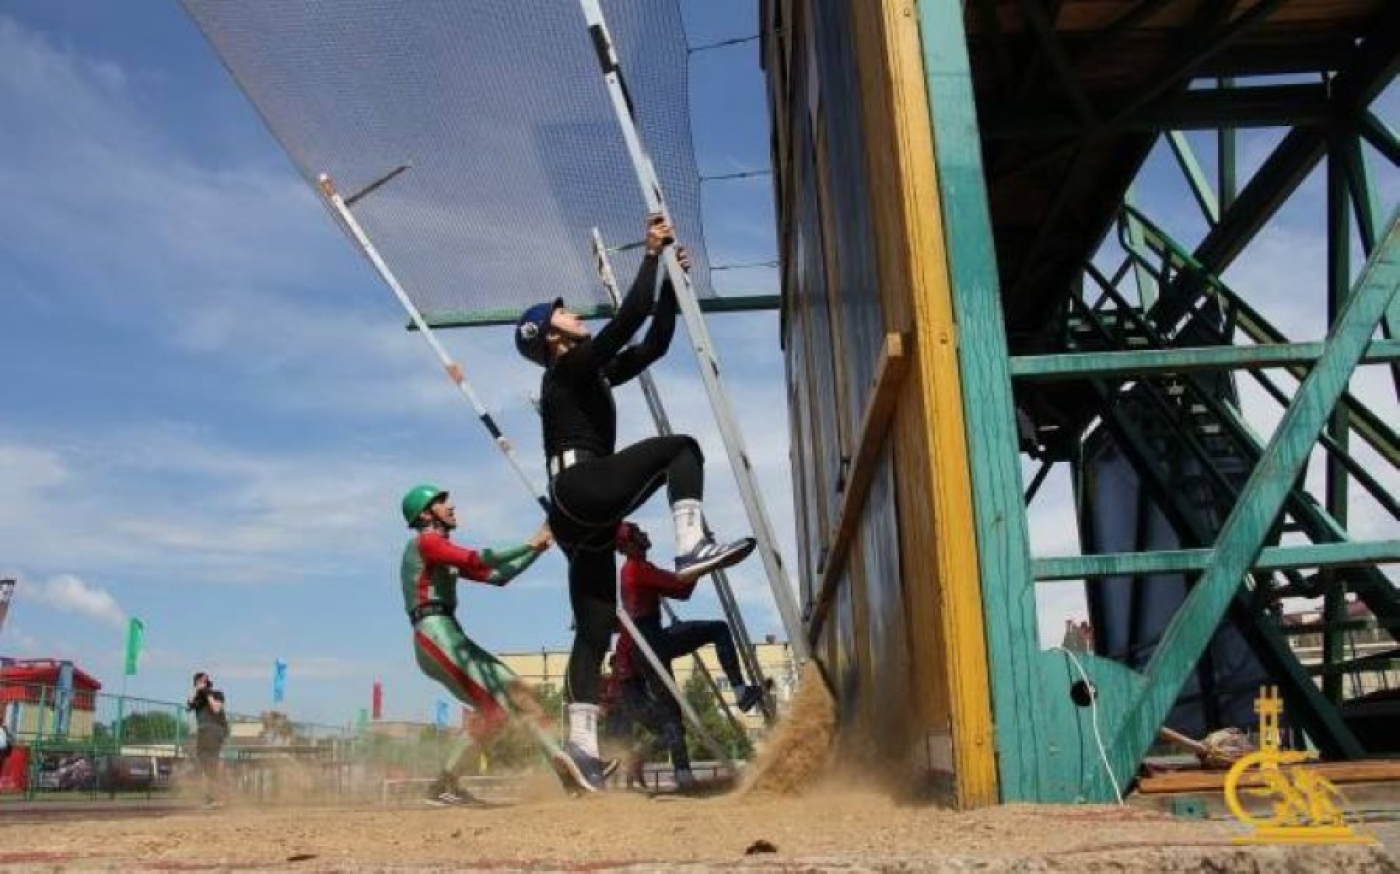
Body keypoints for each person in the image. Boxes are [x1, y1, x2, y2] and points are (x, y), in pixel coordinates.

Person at [514, 215, 757, 788]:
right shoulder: (567, 365)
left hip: (580, 516)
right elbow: (626, 320)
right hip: (582, 487)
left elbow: (653, 343)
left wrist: (670, 284)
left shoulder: (587, 372)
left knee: (594, 630)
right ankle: (691, 545)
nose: (573, 312)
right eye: (562, 313)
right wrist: (651, 256)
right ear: (551, 337)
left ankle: (579, 751)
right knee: (682, 451)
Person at [399, 483, 600, 804]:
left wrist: (538, 548)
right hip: (433, 633)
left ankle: (563, 769)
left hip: (447, 633)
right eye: (442, 503)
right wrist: (528, 542)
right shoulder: (426, 543)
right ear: (425, 514)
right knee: (502, 702)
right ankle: (445, 786)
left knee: (509, 701)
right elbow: (477, 559)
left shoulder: (439, 551)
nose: (451, 507)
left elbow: (498, 576)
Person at [612, 520, 766, 790]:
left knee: (671, 715)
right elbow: (681, 587)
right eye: (639, 533)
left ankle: (681, 774)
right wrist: (709, 562)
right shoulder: (635, 569)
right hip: (649, 643)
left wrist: (706, 565)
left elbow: (682, 588)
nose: (647, 534)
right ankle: (740, 692)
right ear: (628, 543)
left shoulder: (638, 569)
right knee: (717, 630)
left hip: (648, 644)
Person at [186, 672, 229, 807]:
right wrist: (197, 691)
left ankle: (217, 797)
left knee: (211, 763)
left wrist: (207, 693)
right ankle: (215, 796)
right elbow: (188, 705)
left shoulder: (216, 694)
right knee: (205, 764)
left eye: (202, 682)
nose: (200, 685)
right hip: (203, 732)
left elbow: (216, 709)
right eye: (197, 682)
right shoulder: (198, 699)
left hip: (215, 729)